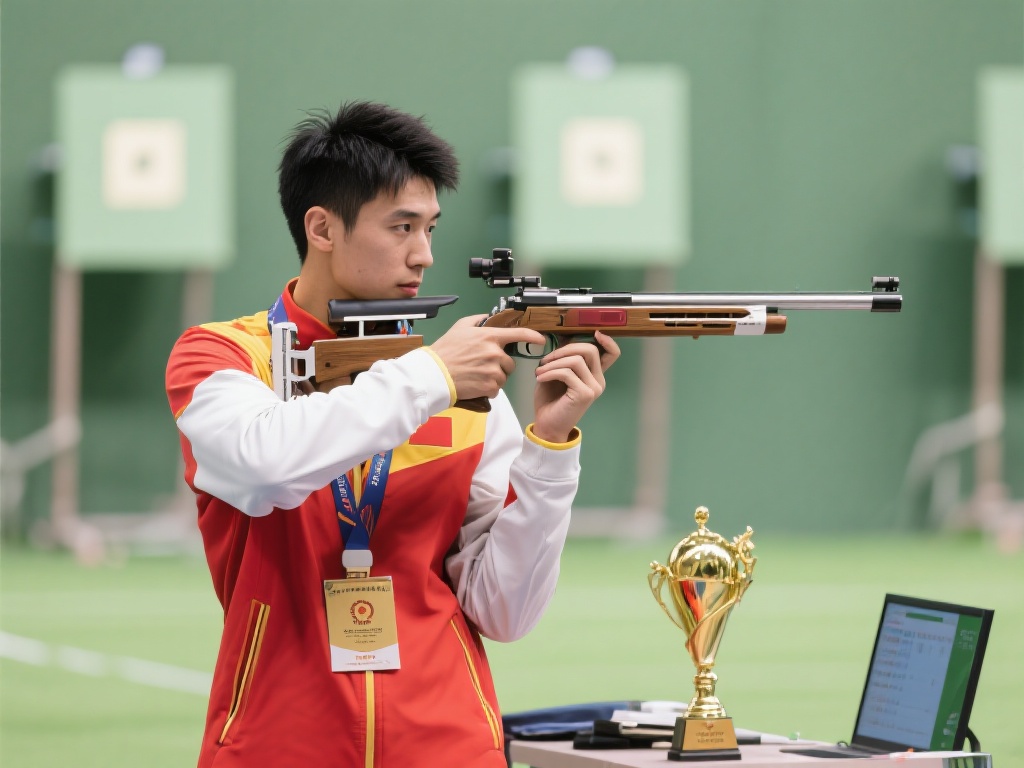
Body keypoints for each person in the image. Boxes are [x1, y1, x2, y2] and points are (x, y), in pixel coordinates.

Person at [165, 100, 620, 768]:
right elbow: (263, 467)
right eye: (401, 227)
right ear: (322, 227)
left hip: (450, 746)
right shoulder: (221, 356)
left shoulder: (460, 386)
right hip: (274, 747)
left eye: (431, 227)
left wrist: (547, 448)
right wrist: (431, 372)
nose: (425, 254)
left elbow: (504, 613)